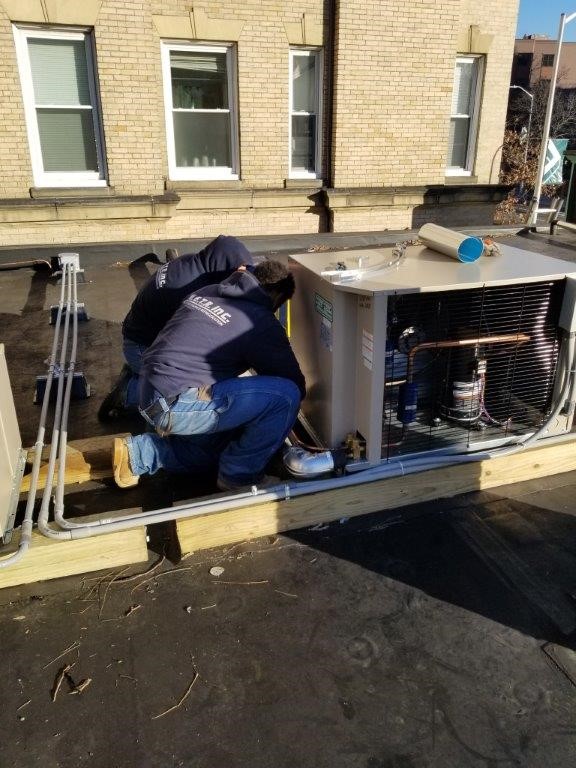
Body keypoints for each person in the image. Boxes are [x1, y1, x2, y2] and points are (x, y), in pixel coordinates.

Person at [112, 260, 305, 492]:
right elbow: (293, 383)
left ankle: (137, 454)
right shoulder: (258, 320)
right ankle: (239, 476)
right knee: (285, 397)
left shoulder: (208, 291)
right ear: (276, 297)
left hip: (149, 391)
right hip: (177, 403)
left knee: (208, 455)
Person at [98, 234, 254, 421]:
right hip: (141, 347)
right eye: (236, 270)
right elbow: (188, 341)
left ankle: (136, 374)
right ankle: (129, 393)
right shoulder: (188, 290)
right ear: (222, 263)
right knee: (180, 398)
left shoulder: (192, 264)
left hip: (140, 336)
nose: (239, 276)